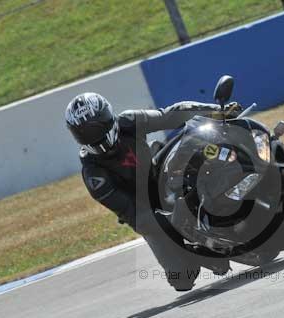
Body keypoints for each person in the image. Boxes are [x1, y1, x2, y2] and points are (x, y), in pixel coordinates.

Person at [65, 92, 240, 291]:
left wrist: (216, 111)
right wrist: (171, 224)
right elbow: (133, 215)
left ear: (108, 117)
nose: (92, 137)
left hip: (161, 173)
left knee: (193, 139)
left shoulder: (129, 121)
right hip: (145, 210)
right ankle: (199, 248)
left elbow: (171, 114)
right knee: (182, 279)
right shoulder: (93, 175)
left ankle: (235, 180)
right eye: (83, 133)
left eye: (94, 129)